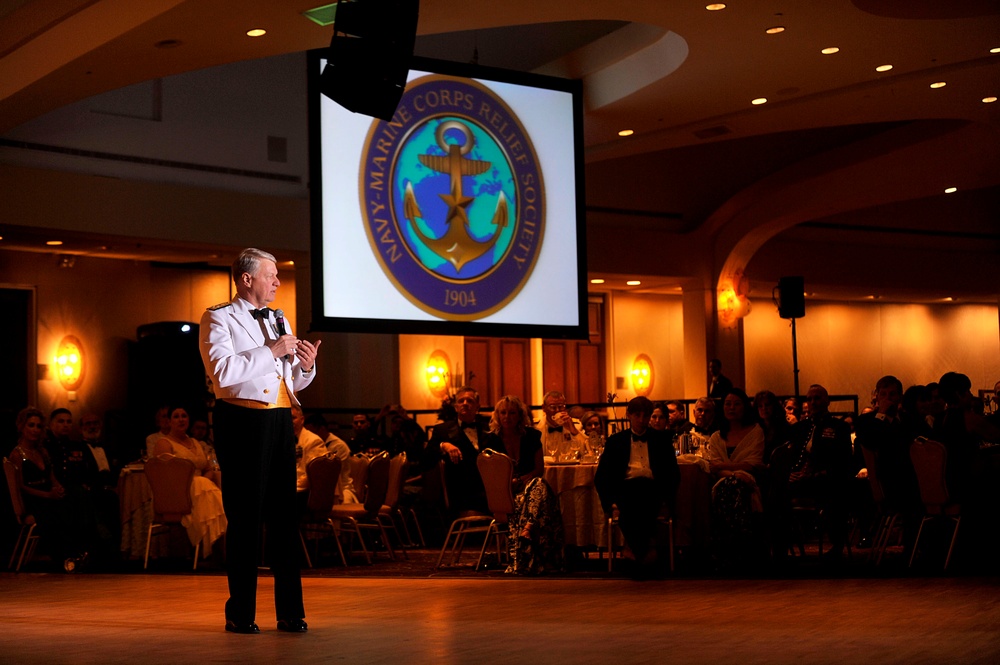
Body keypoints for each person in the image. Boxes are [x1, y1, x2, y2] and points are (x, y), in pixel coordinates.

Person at [199, 247, 322, 635]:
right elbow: (223, 373)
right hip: (241, 420)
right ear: (247, 278)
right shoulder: (218, 317)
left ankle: (290, 612)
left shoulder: (279, 317)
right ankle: (240, 613)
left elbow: (290, 381)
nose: (278, 282)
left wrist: (305, 365)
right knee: (246, 518)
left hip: (280, 419)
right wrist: (271, 350)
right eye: (271, 275)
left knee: (285, 518)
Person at [594, 396, 680, 575]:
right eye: (637, 415)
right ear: (628, 416)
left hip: (652, 490)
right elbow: (601, 477)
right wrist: (610, 503)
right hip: (626, 491)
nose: (642, 420)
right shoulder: (616, 441)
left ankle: (632, 551)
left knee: (642, 493)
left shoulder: (662, 440)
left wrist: (666, 500)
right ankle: (648, 550)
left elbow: (673, 474)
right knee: (635, 494)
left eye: (645, 416)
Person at [482, 395, 564, 574]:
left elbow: (538, 469)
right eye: (503, 413)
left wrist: (520, 481)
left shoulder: (532, 436)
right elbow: (491, 476)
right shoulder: (490, 441)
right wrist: (508, 484)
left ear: (520, 415)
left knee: (538, 484)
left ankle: (527, 527)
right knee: (542, 495)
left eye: (512, 413)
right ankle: (534, 535)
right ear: (497, 415)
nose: (507, 417)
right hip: (505, 494)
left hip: (528, 485)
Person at [775, 384, 854, 560]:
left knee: (838, 491)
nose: (813, 402)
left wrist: (819, 473)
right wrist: (789, 473)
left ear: (827, 401)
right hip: (798, 479)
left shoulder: (839, 427)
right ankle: (779, 546)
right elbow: (789, 456)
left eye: (817, 398)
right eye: (809, 399)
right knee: (774, 492)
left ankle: (837, 544)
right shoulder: (799, 428)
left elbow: (844, 460)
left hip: (827, 480)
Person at [9, 407, 92, 570]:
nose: (35, 429)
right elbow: (21, 487)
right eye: (31, 425)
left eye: (38, 426)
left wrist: (58, 488)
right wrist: (48, 495)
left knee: (74, 501)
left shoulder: (42, 451)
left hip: (49, 496)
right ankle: (67, 557)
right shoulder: (17, 454)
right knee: (60, 511)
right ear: (21, 427)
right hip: (33, 500)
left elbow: (52, 477)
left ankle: (80, 552)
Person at [153, 405, 227, 557]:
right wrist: (194, 483)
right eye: (176, 416)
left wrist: (202, 482)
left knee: (204, 485)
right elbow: (163, 474)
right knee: (203, 486)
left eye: (184, 416)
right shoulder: (164, 443)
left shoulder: (195, 442)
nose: (181, 419)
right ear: (169, 421)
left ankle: (219, 550)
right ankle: (216, 551)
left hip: (199, 490)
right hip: (177, 492)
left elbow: (207, 468)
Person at [706, 389, 766, 564]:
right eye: (728, 404)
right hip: (724, 481)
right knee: (732, 485)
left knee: (734, 487)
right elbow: (713, 467)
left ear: (745, 407)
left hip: (749, 481)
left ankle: (730, 550)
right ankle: (737, 549)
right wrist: (734, 474)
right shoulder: (717, 437)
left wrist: (726, 468)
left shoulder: (755, 431)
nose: (731, 408)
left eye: (737, 404)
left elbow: (752, 464)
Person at [424, 386, 491, 515]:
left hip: (488, 488)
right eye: (461, 401)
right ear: (455, 407)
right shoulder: (443, 430)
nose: (465, 404)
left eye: (470, 401)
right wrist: (443, 445)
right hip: (461, 495)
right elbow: (426, 460)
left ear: (478, 407)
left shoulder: (488, 430)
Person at [304, 412, 356, 504]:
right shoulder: (311, 445)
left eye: (312, 432)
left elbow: (334, 474)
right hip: (320, 486)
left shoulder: (338, 446)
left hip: (342, 488)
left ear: (322, 429)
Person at [291, 405, 329, 513]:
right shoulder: (280, 439)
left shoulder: (313, 441)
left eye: (293, 418)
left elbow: (313, 475)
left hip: (307, 494)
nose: (290, 421)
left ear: (302, 420)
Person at [539, 391, 586, 461]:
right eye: (553, 407)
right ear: (544, 408)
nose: (557, 410)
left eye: (561, 407)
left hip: (569, 469)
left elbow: (585, 452)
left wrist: (573, 431)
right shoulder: (536, 427)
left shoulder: (576, 425)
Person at [754, 390, 789, 464]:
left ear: (774, 406)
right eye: (760, 406)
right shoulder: (754, 429)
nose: (764, 408)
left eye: (767, 405)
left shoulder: (784, 427)